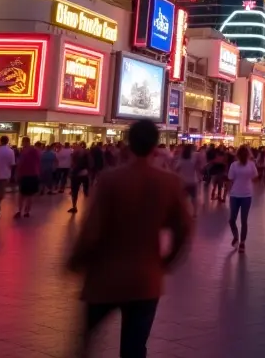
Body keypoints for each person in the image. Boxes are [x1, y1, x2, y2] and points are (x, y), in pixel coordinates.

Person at [68, 120, 192, 358]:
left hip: (105, 275)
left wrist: (76, 259)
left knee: (85, 341)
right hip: (146, 278)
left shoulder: (110, 180)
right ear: (156, 145)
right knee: (134, 347)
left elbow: (91, 229)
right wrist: (166, 262)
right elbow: (184, 228)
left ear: (128, 143)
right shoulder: (169, 182)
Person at [225, 146, 257, 253]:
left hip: (244, 195)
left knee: (240, 220)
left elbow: (230, 179)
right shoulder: (235, 165)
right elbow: (254, 177)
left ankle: (241, 241)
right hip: (238, 194)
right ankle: (237, 237)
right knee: (234, 219)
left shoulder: (249, 164)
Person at [15, 137, 41, 219]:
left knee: (22, 194)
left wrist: (18, 173)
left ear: (25, 142)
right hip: (33, 175)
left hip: (25, 175)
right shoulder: (35, 151)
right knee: (29, 195)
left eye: (23, 142)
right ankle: (26, 211)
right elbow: (38, 162)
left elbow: (20, 163)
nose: (22, 144)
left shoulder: (24, 151)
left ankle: (20, 210)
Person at [0, 134, 16, 218]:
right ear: (7, 141)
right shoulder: (10, 151)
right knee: (0, 192)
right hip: (5, 175)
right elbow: (12, 164)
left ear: (0, 141)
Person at [173, 144, 201, 213]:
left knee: (183, 198)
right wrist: (199, 177)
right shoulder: (193, 159)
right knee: (194, 198)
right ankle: (195, 212)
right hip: (193, 181)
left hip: (183, 182)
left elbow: (176, 169)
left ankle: (184, 211)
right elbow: (197, 169)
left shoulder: (181, 159)